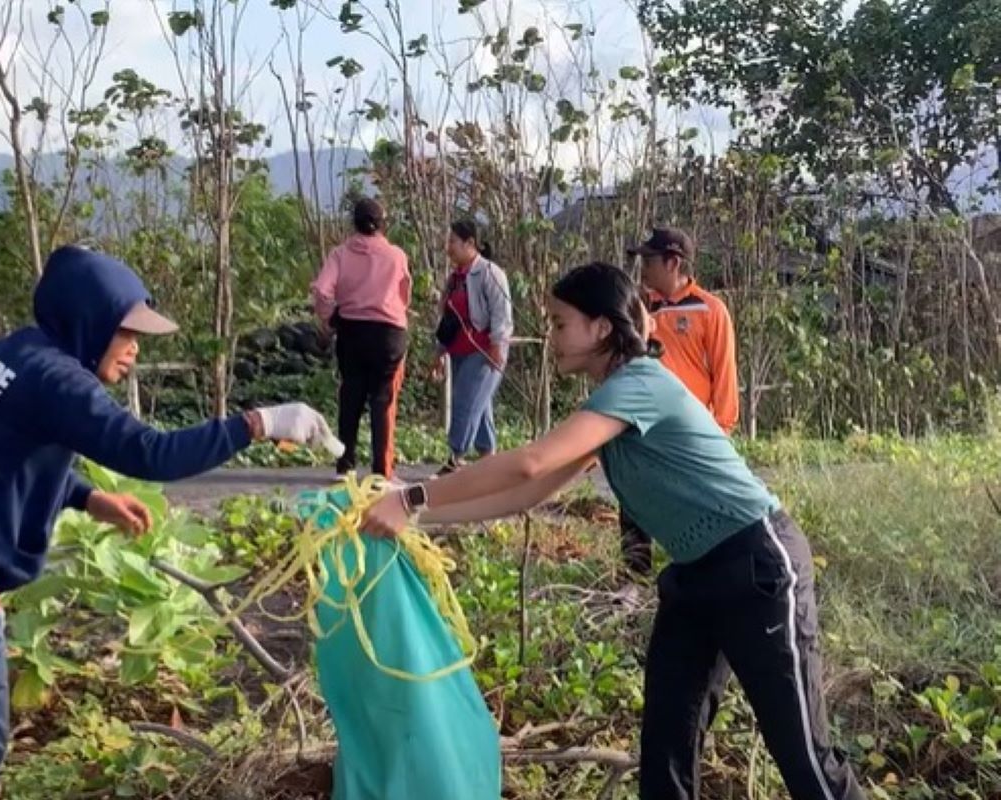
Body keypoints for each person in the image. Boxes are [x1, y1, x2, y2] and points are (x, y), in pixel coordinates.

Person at [0, 245, 338, 800]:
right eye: (127, 334)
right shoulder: (60, 381)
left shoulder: (11, 354)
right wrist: (258, 423)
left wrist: (89, 498)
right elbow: (151, 454)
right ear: (89, 322)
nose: (135, 350)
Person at [363, 262, 866, 800]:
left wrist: (412, 494)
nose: (552, 337)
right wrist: (413, 516)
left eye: (560, 324)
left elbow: (530, 462)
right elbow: (529, 494)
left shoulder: (639, 384)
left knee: (803, 758)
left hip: (756, 566)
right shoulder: (610, 400)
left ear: (602, 327)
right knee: (667, 749)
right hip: (695, 578)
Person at [621, 225, 739, 577]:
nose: (644, 267)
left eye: (651, 260)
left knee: (688, 505)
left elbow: (725, 372)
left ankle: (695, 574)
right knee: (633, 496)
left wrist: (723, 428)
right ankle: (632, 575)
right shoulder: (640, 310)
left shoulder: (710, 310)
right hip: (643, 423)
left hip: (688, 430)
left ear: (673, 263)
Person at [312, 198, 411, 479]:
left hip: (352, 331)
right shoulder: (396, 255)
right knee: (383, 401)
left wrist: (329, 317)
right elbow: (404, 294)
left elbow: (321, 291)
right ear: (382, 224)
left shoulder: (340, 254)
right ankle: (382, 471)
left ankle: (346, 464)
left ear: (353, 222)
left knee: (351, 397)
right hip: (389, 334)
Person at [434, 219, 513, 474]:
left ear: (470, 243)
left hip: (482, 351)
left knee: (465, 402)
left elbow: (502, 313)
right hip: (458, 349)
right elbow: (446, 318)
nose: (449, 247)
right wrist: (439, 351)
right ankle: (488, 458)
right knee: (479, 403)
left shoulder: (490, 273)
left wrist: (498, 345)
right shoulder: (455, 278)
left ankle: (455, 456)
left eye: (453, 242)